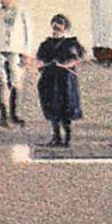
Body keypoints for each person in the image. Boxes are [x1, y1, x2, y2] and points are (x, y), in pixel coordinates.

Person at [36, 14, 86, 147]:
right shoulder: (46, 44)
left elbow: (77, 58)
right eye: (54, 23)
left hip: (65, 80)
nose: (56, 26)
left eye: (60, 23)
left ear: (65, 27)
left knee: (65, 108)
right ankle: (56, 137)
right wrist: (42, 65)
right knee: (52, 108)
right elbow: (40, 60)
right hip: (49, 79)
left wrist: (65, 65)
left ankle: (67, 138)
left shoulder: (71, 43)